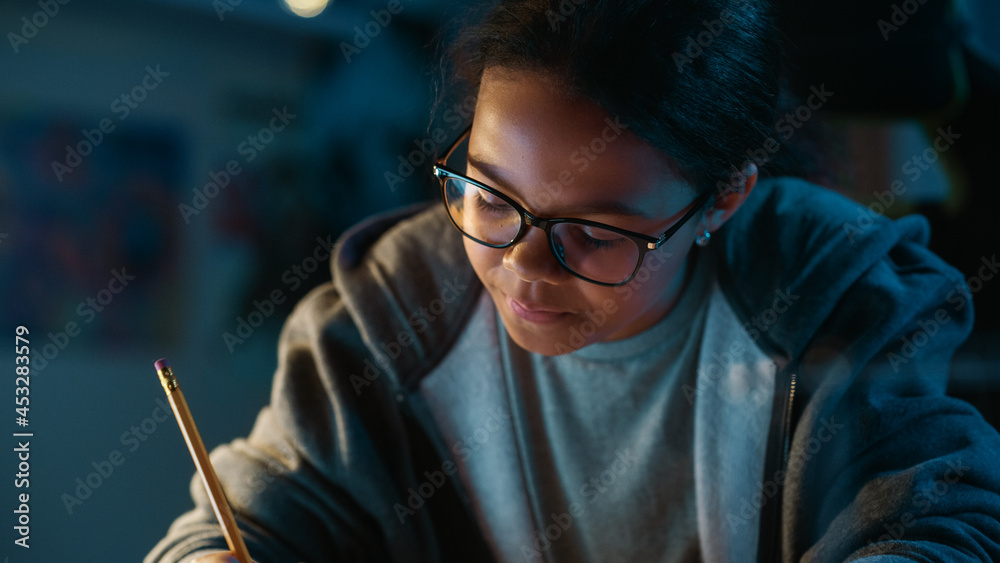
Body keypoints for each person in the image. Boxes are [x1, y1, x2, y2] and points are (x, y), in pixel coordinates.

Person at [147, 0, 1000, 561]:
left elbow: (943, 524)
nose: (520, 267)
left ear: (725, 195)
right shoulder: (396, 310)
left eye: (593, 234)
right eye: (487, 193)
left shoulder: (836, 293)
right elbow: (252, 512)